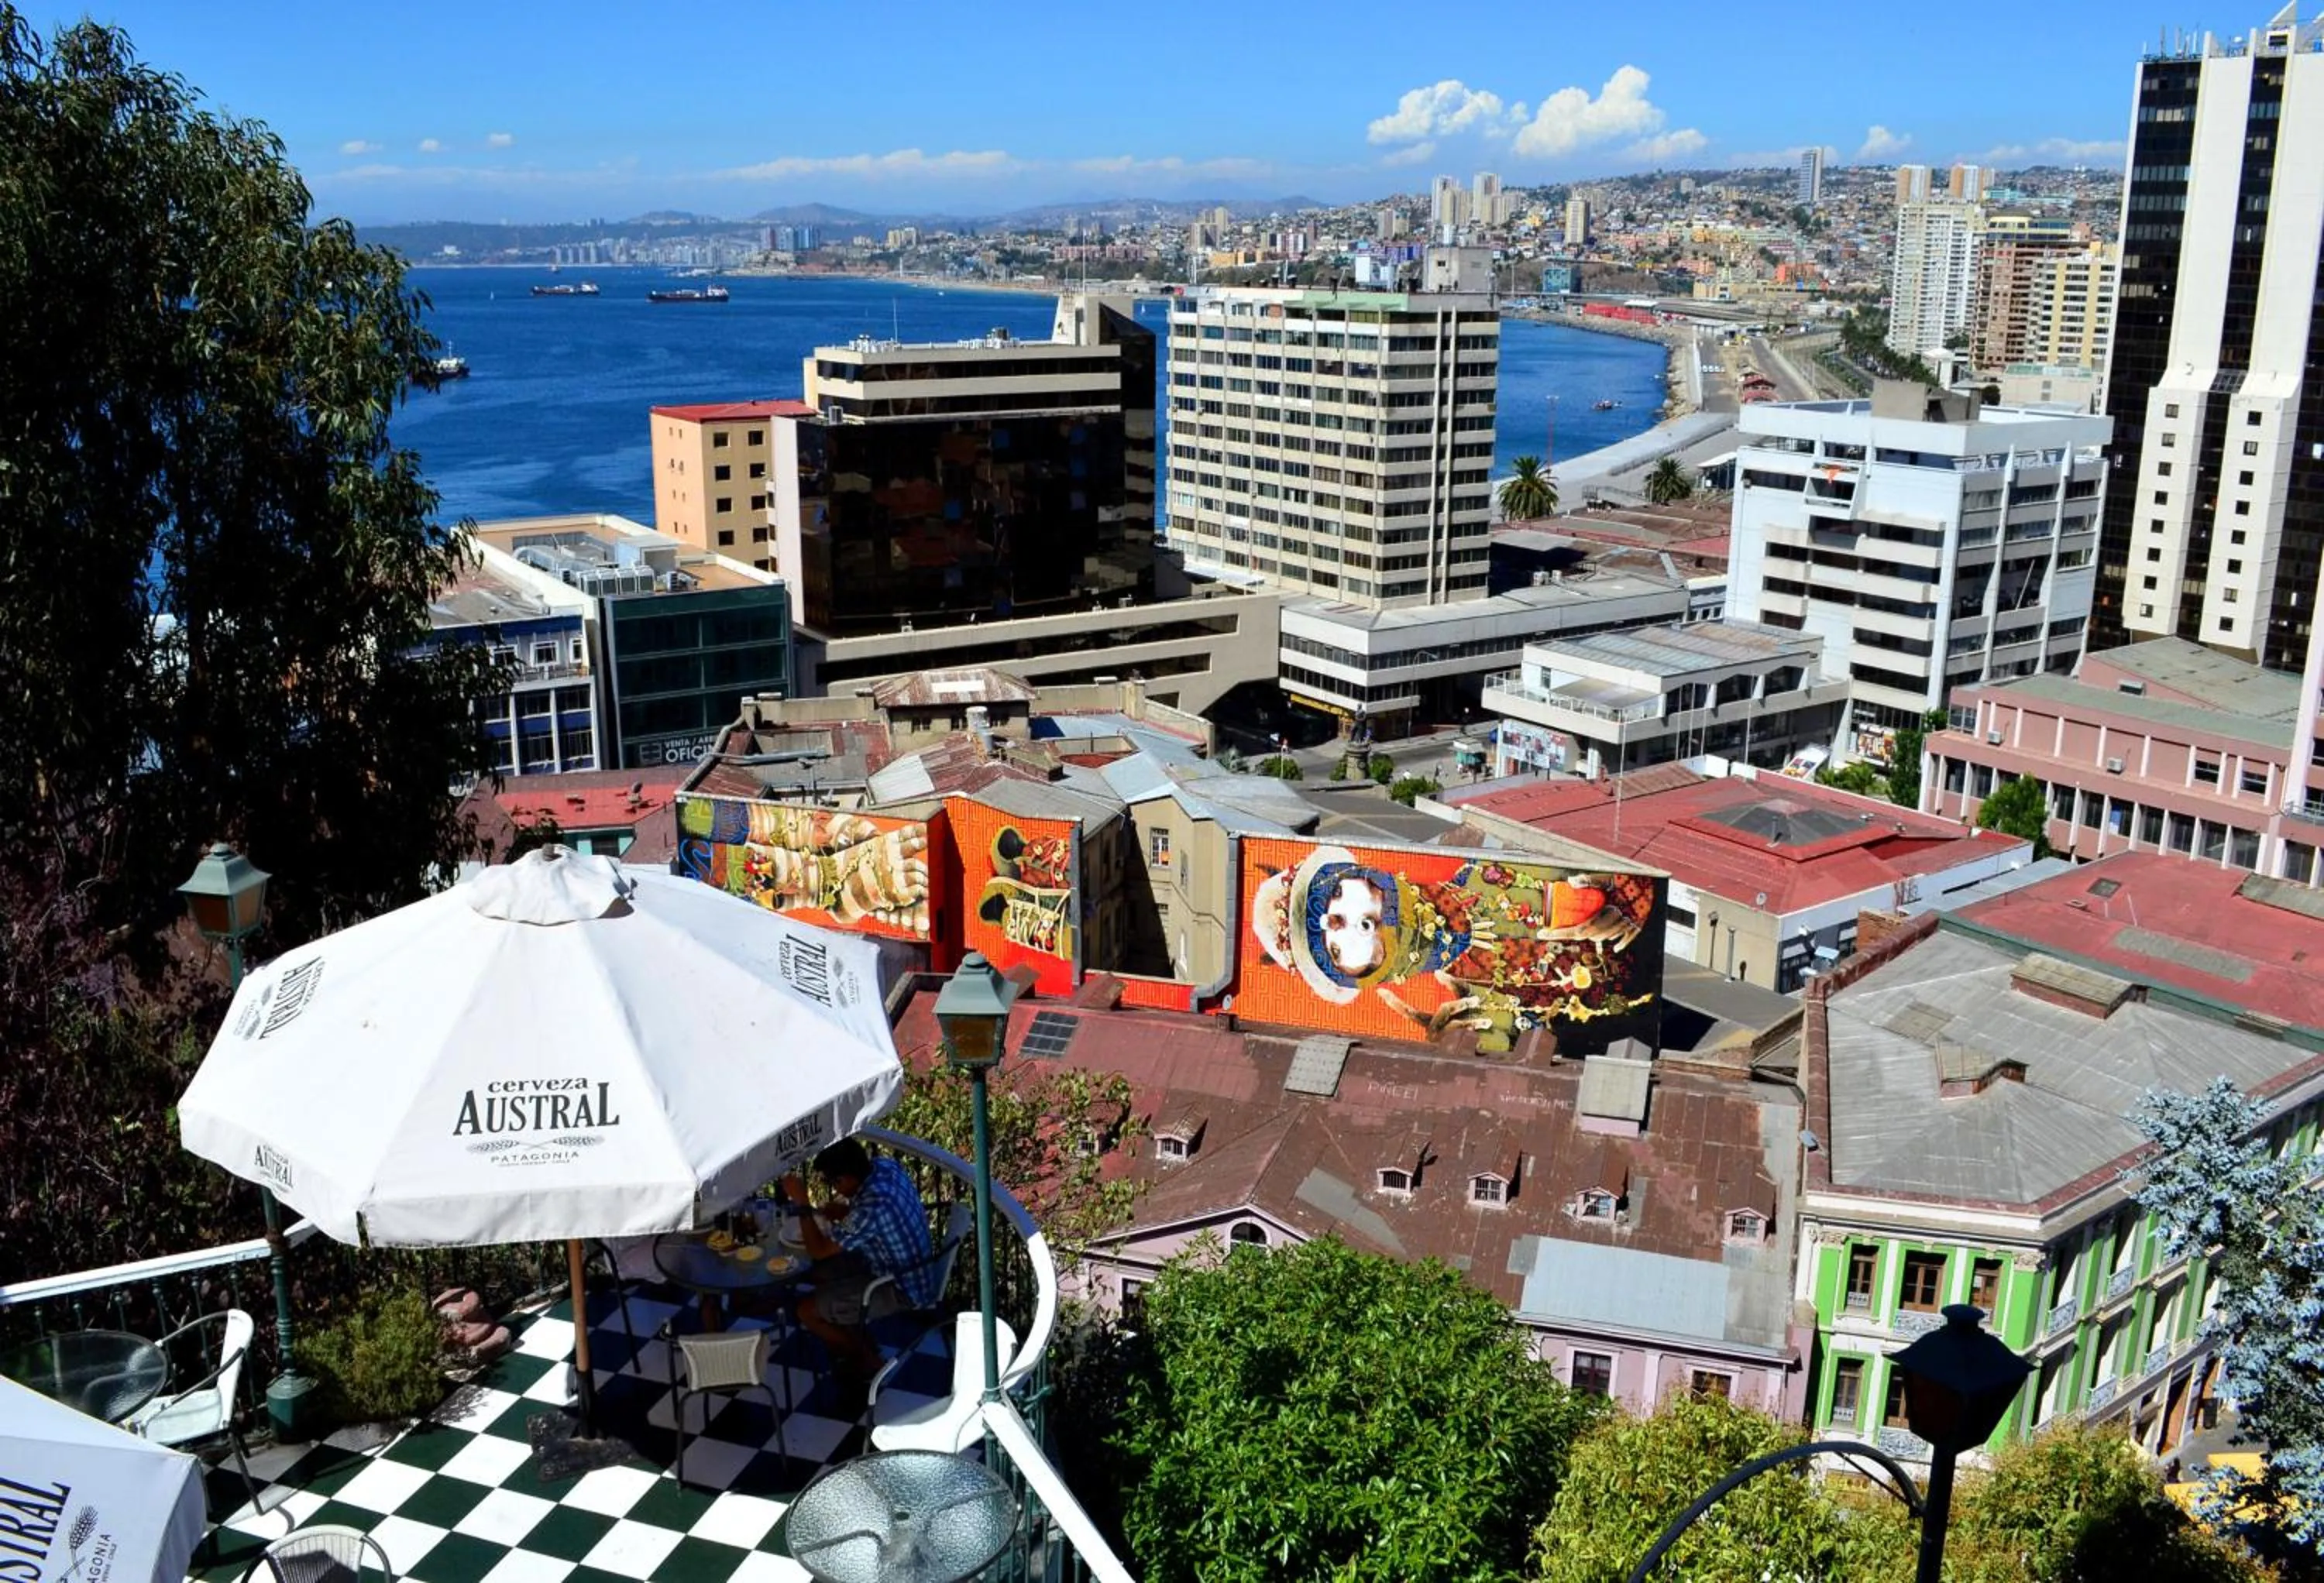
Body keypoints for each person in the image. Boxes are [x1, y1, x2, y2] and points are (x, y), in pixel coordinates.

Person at [782, 1138, 937, 1406]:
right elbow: (867, 1221)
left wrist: (802, 1204)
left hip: (901, 1286)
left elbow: (819, 1250)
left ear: (847, 1178)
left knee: (806, 1311)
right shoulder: (884, 1167)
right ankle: (849, 1327)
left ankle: (868, 1361)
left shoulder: (871, 1208)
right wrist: (844, 1212)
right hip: (907, 1267)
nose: (836, 1189)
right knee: (820, 1274)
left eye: (835, 1183)